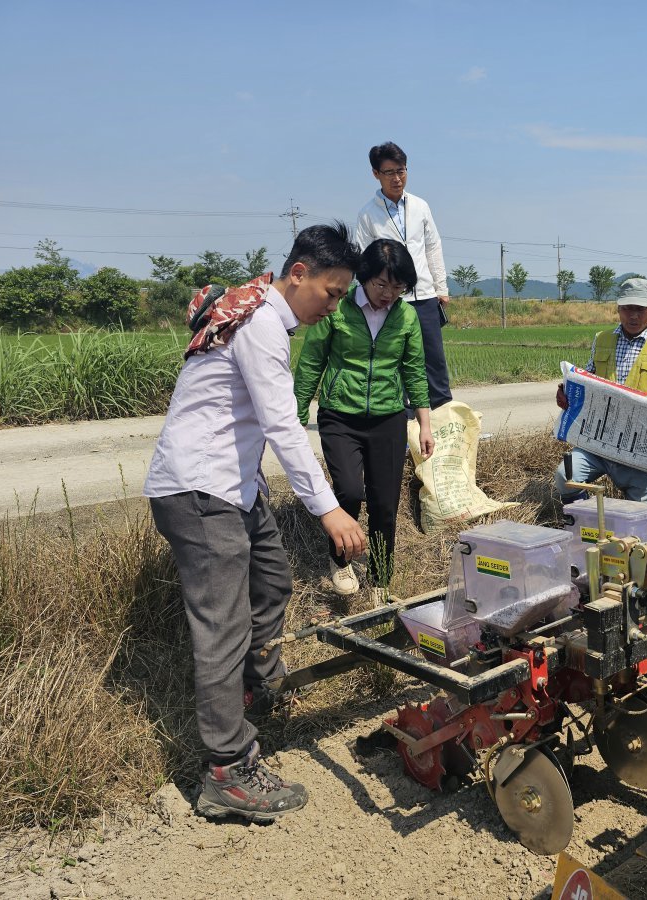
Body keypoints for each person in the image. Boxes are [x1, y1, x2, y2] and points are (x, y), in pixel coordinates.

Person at [145, 223, 369, 823]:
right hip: (199, 489)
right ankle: (227, 769)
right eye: (331, 291)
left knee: (271, 580)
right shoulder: (261, 324)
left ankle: (252, 689)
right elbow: (282, 425)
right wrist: (329, 510)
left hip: (234, 488)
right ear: (298, 274)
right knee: (222, 625)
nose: (334, 305)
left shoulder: (263, 316)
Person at [294, 239, 435, 602]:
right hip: (340, 415)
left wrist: (424, 423)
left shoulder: (405, 316)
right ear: (364, 277)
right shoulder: (337, 309)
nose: (389, 293)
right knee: (349, 492)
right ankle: (340, 561)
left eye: (398, 286)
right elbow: (311, 361)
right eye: (381, 284)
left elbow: (415, 370)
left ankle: (380, 578)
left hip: (389, 416)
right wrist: (295, 416)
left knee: (385, 503)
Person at [553, 277, 647, 503]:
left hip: (640, 448)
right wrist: (567, 392)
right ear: (618, 308)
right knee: (565, 476)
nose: (633, 315)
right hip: (596, 441)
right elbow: (588, 378)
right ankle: (588, 522)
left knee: (639, 516)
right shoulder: (602, 339)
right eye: (627, 308)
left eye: (640, 309)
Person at [354, 142, 452, 410]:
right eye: (389, 173)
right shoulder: (367, 215)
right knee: (397, 360)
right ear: (376, 174)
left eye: (401, 171)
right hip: (392, 300)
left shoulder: (420, 206)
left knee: (434, 359)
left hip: (425, 296)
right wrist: (374, 297)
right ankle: (403, 419)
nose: (397, 178)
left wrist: (441, 287)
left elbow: (433, 246)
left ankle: (443, 414)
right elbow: (363, 259)